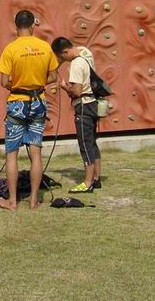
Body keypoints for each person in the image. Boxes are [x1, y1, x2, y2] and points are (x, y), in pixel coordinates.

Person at [0, 10, 59, 210]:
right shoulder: (45, 47)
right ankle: (33, 200)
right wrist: (37, 81)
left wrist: (16, 84)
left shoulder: (11, 49)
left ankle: (13, 201)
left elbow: (3, 81)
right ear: (32, 26)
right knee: (36, 152)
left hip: (17, 103)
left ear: (16, 27)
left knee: (12, 153)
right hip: (38, 102)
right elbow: (53, 76)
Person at [52, 37, 102, 193]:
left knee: (85, 145)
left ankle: (87, 183)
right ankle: (96, 178)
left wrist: (65, 87)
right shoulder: (85, 53)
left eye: (61, 57)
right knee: (92, 142)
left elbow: (77, 91)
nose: (62, 61)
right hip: (93, 103)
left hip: (83, 106)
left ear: (65, 52)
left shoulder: (75, 64)